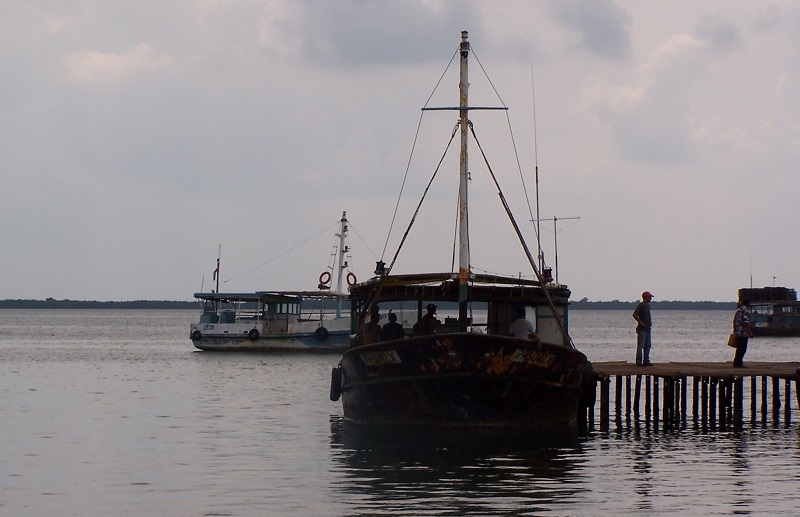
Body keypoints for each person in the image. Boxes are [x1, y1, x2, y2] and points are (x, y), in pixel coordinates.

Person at [632, 291, 654, 366]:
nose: (651, 298)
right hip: (642, 329)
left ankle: (646, 361)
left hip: (648, 329)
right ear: (646, 297)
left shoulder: (648, 306)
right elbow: (634, 315)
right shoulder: (641, 305)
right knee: (641, 345)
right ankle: (639, 361)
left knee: (648, 345)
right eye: (650, 297)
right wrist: (641, 323)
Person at [732, 298, 753, 367]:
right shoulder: (745, 310)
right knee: (742, 348)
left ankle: (736, 362)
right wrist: (749, 332)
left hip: (738, 331)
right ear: (748, 303)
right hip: (743, 333)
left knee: (739, 348)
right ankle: (739, 363)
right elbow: (745, 323)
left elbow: (735, 321)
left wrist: (734, 329)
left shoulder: (738, 310)